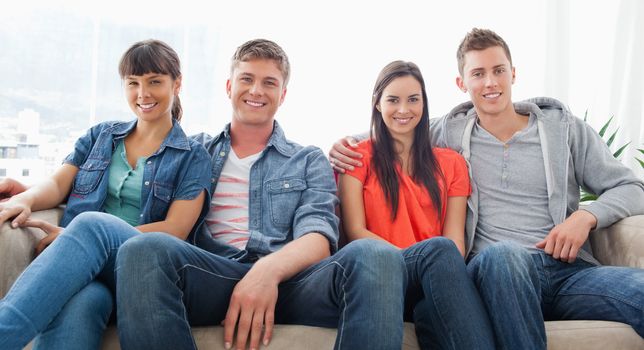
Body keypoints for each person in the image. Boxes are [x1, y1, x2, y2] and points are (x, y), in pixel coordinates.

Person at [330, 28, 644, 349]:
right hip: (495, 269)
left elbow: (632, 187)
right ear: (462, 84)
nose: (490, 83)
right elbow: (400, 124)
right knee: (504, 255)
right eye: (478, 74)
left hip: (566, 271)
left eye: (499, 71)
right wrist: (346, 144)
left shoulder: (563, 129)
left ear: (513, 73)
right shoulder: (450, 131)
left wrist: (586, 218)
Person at [114, 39, 405, 350]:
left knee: (378, 254)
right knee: (142, 250)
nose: (256, 91)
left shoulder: (307, 159)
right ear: (229, 86)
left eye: (269, 82)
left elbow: (319, 235)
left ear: (283, 94)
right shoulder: (193, 150)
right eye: (247, 79)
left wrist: (266, 271)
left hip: (292, 284)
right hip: (210, 274)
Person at [0, 39, 211, 350]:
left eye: (155, 82)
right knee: (81, 303)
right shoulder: (101, 136)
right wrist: (24, 199)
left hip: (140, 269)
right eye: (133, 83)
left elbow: (175, 229)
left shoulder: (193, 155)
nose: (143, 94)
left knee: (90, 226)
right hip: (91, 273)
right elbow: (59, 184)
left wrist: (85, 239)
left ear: (176, 84)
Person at [338, 60, 495, 349]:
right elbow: (355, 231)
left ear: (424, 103)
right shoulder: (356, 157)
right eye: (393, 100)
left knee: (435, 294)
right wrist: (415, 258)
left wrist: (432, 266)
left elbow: (455, 241)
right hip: (381, 273)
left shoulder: (451, 163)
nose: (403, 110)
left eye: (413, 99)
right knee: (439, 250)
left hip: (433, 280)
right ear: (377, 104)